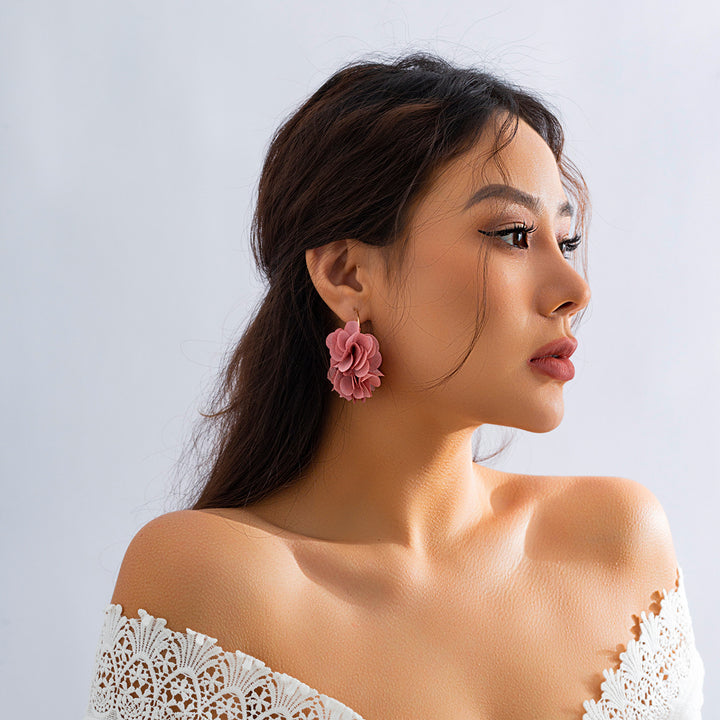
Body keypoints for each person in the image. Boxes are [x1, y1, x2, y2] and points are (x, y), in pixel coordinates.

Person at [83, 53, 705, 720]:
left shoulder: (617, 544)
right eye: (514, 234)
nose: (574, 291)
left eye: (568, 238)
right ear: (348, 275)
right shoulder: (211, 582)